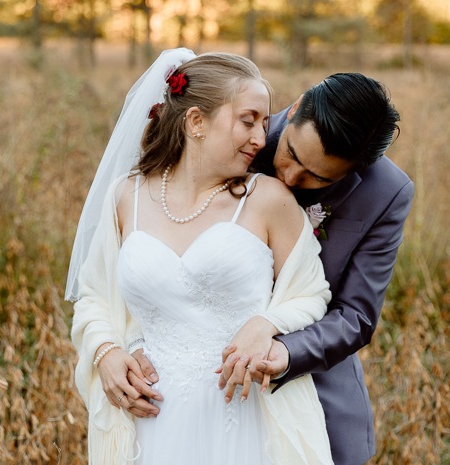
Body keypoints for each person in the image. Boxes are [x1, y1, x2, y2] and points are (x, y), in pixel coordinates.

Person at [66, 48, 334, 465]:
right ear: (195, 122)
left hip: (244, 418)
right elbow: (94, 297)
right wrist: (107, 352)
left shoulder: (269, 200)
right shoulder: (125, 196)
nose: (262, 139)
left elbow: (312, 294)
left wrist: (267, 324)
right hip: (151, 420)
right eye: (248, 121)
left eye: (265, 124)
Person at [215, 73, 415, 465]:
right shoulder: (231, 136)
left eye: (316, 177)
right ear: (294, 109)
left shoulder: (386, 192)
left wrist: (285, 352)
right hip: (203, 386)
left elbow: (356, 315)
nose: (289, 178)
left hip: (315, 394)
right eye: (291, 153)